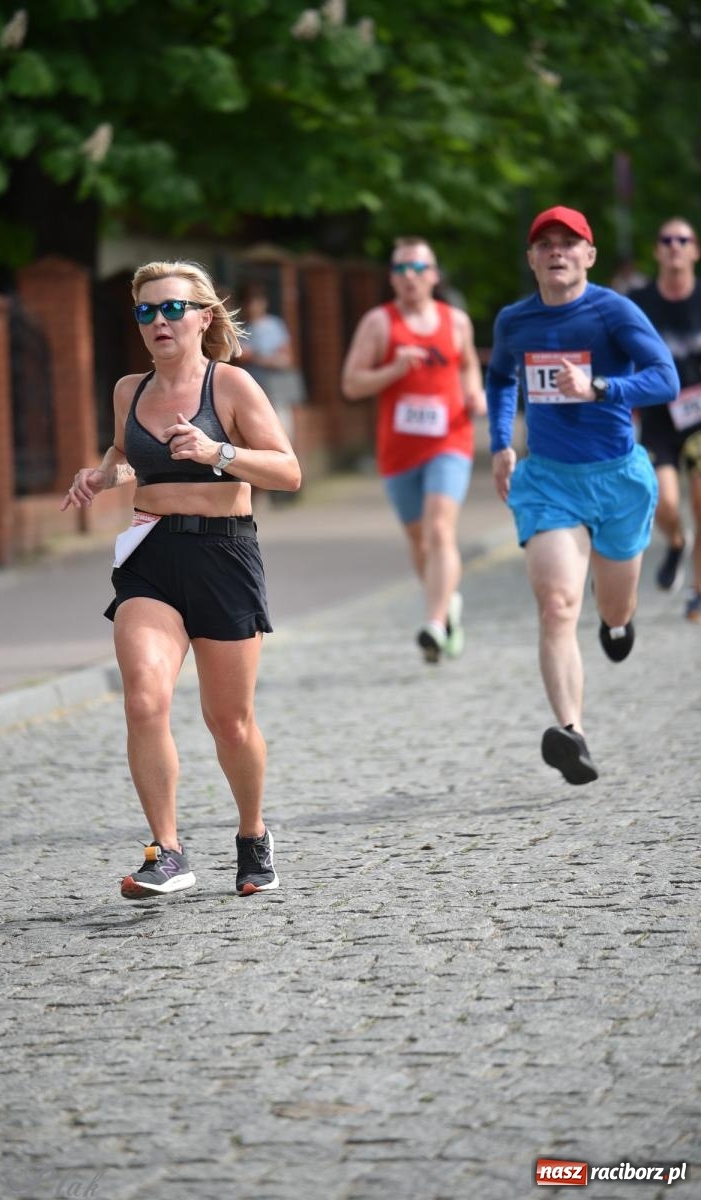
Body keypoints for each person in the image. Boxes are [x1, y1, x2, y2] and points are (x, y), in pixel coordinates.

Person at [61, 259, 301, 898]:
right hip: (152, 556)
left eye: (172, 309)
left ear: (203, 317)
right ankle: (167, 852)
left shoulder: (232, 388)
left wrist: (216, 452)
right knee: (142, 699)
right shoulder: (127, 391)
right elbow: (124, 453)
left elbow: (288, 471)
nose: (159, 321)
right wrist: (102, 473)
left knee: (230, 722)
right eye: (146, 311)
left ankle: (252, 834)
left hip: (225, 557)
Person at [486, 205, 679, 785]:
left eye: (569, 243)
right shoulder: (514, 321)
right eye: (545, 243)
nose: (557, 252)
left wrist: (599, 386)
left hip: (618, 477)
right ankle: (572, 732)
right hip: (548, 482)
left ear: (588, 255)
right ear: (532, 258)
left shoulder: (613, 311)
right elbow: (499, 378)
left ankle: (618, 624)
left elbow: (664, 378)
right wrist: (500, 443)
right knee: (557, 604)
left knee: (613, 606)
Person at [340, 236, 486, 664]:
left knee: (441, 530)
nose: (409, 277)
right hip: (399, 450)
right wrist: (394, 369)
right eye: (401, 269)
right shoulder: (378, 324)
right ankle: (447, 605)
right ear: (392, 278)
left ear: (434, 276)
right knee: (420, 540)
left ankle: (434, 623)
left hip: (450, 441)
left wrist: (474, 393)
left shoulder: (456, 321)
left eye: (418, 269)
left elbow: (468, 365)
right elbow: (351, 384)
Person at [628, 218, 701, 620]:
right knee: (664, 502)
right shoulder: (638, 302)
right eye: (666, 240)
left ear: (695, 250)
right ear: (657, 250)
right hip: (658, 420)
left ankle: (698, 591)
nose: (675, 246)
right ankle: (676, 541)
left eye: (683, 240)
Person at [237, 280, 305, 464]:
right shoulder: (240, 328)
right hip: (253, 389)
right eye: (249, 301)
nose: (253, 306)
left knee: (285, 431)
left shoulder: (275, 325)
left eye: (256, 300)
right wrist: (269, 359)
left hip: (278, 389)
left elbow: (286, 358)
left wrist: (258, 357)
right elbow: (241, 356)